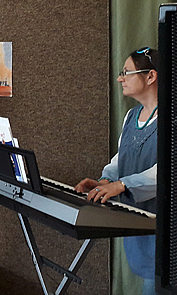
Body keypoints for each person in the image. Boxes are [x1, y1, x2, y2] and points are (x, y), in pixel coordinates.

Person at [76, 47, 159, 294]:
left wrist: (122, 185)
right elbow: (121, 157)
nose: (120, 78)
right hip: (140, 223)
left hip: (164, 228)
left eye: (126, 72)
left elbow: (167, 172)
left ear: (151, 76)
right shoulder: (132, 116)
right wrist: (105, 180)